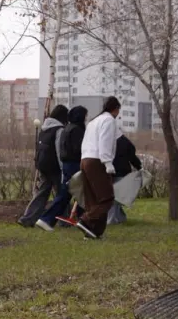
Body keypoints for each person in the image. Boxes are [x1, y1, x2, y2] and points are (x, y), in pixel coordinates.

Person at [73, 97, 121, 239]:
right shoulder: (109, 120)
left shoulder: (93, 121)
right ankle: (85, 220)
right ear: (116, 108)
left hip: (85, 159)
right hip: (97, 161)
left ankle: (93, 232)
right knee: (107, 198)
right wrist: (108, 162)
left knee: (92, 199)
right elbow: (104, 141)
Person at [18, 104, 70, 230]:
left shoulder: (44, 128)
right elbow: (59, 150)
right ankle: (64, 220)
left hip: (42, 166)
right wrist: (63, 168)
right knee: (62, 194)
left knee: (41, 193)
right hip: (55, 167)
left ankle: (27, 218)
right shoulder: (59, 129)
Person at [55, 105, 88, 225]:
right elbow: (78, 149)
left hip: (67, 164)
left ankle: (81, 216)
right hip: (75, 163)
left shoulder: (67, 128)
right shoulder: (77, 130)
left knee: (73, 191)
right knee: (73, 192)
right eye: (85, 115)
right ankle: (48, 218)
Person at [107, 130, 143, 225]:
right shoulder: (125, 142)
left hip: (109, 172)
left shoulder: (106, 140)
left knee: (112, 197)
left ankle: (114, 219)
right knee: (117, 197)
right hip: (122, 173)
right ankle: (118, 217)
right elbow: (132, 157)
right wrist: (139, 167)